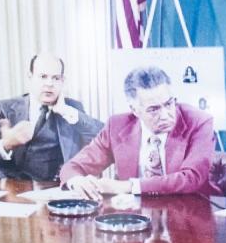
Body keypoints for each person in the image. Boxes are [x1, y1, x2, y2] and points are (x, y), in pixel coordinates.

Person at [61, 66, 216, 199]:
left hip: (191, 215)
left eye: (169, 104)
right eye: (153, 109)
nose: (165, 114)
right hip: (136, 219)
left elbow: (191, 178)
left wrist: (129, 186)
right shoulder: (117, 126)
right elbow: (73, 167)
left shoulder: (198, 122)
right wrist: (77, 181)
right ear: (135, 110)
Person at [0, 53, 103, 181]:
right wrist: (6, 144)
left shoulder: (72, 108)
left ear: (62, 81)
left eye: (56, 78)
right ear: (30, 77)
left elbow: (104, 136)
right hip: (14, 185)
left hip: (55, 184)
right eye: (43, 77)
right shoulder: (4, 108)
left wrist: (65, 111)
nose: (49, 84)